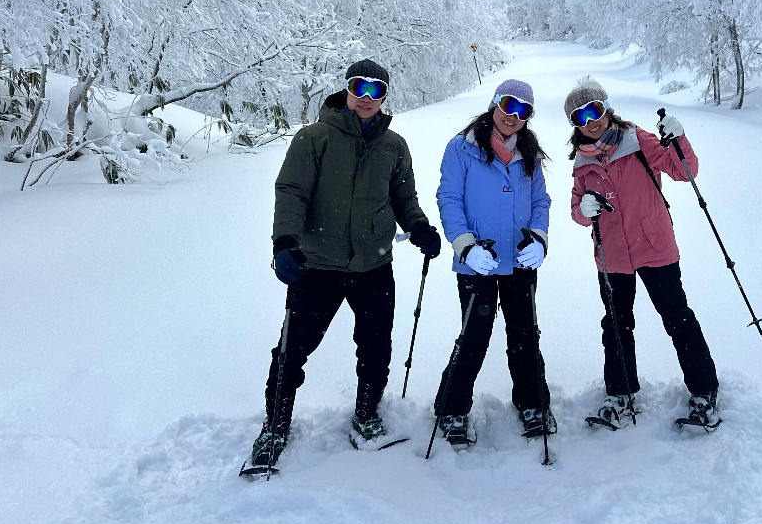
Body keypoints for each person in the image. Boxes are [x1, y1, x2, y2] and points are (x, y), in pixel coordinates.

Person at [246, 59, 442, 471]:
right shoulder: (314, 138)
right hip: (318, 265)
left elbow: (404, 198)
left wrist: (420, 227)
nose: (367, 98)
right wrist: (285, 241)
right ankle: (275, 425)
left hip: (374, 265)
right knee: (293, 349)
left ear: (385, 95)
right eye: (359, 87)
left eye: (376, 90)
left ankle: (366, 415)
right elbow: (292, 191)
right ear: (346, 90)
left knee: (375, 348)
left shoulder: (394, 146)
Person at [565, 78, 720, 429]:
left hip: (654, 246)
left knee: (677, 317)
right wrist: (583, 208)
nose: (591, 120)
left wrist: (678, 137)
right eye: (580, 116)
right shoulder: (580, 163)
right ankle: (620, 394)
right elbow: (576, 210)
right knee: (616, 326)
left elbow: (684, 170)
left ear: (606, 109)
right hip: (612, 255)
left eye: (595, 110)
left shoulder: (637, 140)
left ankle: (704, 390)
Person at [432, 78, 554, 446]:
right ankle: (452, 409)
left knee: (524, 335)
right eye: (508, 105)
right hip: (477, 263)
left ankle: (533, 403)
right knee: (473, 336)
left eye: (523, 110)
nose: (513, 116)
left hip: (519, 260)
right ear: (494, 104)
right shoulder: (461, 148)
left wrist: (540, 238)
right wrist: (465, 246)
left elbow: (540, 202)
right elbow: (449, 198)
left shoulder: (528, 153)